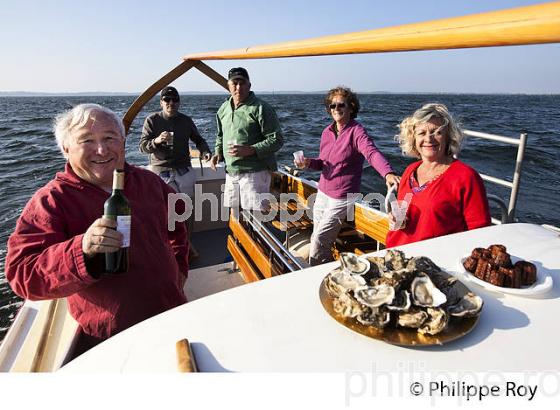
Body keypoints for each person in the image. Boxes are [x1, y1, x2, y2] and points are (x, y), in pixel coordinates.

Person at [5, 104, 188, 352]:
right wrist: (81, 250)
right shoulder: (51, 201)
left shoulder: (149, 182)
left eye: (110, 138)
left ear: (123, 142)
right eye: (87, 140)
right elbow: (22, 274)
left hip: (173, 315)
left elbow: (176, 224)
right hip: (114, 339)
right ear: (65, 148)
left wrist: (180, 271)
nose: (101, 149)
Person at [294, 87, 400, 266]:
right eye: (332, 105)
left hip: (342, 197)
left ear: (351, 107)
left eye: (340, 104)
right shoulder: (327, 132)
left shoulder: (356, 132)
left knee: (320, 240)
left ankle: (317, 274)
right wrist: (307, 163)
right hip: (323, 192)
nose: (336, 108)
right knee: (316, 234)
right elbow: (323, 163)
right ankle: (322, 268)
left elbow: (371, 153)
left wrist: (387, 172)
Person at [385, 103, 491, 247]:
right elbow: (404, 211)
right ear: (413, 139)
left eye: (437, 132)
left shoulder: (466, 177)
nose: (429, 138)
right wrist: (394, 218)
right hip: (396, 253)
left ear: (448, 138)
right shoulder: (410, 170)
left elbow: (480, 235)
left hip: (435, 261)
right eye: (422, 133)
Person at [140, 86, 212, 259]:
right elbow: (142, 147)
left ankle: (186, 244)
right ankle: (170, 247)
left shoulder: (186, 121)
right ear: (161, 102)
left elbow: (199, 140)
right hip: (162, 172)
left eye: (174, 100)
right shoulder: (152, 120)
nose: (171, 103)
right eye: (167, 100)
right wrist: (157, 141)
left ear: (179, 102)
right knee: (166, 213)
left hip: (184, 170)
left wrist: (205, 152)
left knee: (186, 210)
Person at [210, 67, 283, 211]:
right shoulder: (223, 108)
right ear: (228, 85)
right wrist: (218, 153)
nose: (238, 87)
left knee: (255, 219)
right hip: (231, 172)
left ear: (249, 85)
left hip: (254, 174)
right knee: (235, 216)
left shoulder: (261, 108)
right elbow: (220, 135)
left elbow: (277, 140)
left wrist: (251, 150)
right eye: (234, 83)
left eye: (242, 83)